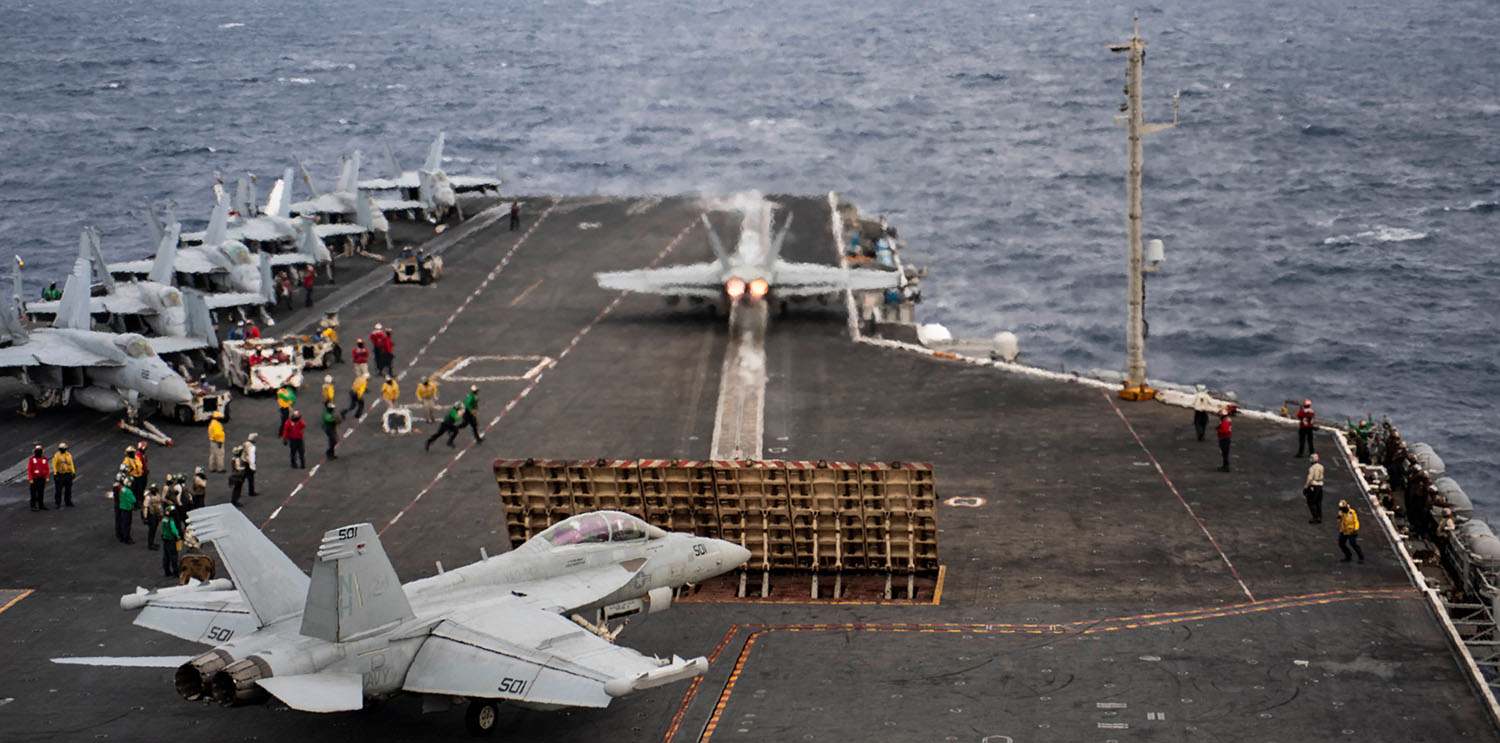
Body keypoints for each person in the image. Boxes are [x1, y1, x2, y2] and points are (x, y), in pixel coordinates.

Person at [160, 501, 183, 577]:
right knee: (173, 556)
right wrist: (178, 536)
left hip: (165, 538)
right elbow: (173, 530)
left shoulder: (164, 519)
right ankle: (176, 572)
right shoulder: (171, 521)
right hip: (171, 539)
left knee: (166, 556)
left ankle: (167, 571)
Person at [1337, 499, 1364, 564]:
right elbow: (1340, 521)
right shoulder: (1341, 513)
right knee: (1341, 544)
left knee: (1353, 544)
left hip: (1351, 531)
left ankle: (1361, 557)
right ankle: (1348, 555)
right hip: (1344, 531)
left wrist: (1356, 529)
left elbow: (1356, 521)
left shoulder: (1351, 512)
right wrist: (1339, 517)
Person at [51, 442, 75, 508]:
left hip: (68, 474)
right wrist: (55, 473)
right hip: (60, 474)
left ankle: (68, 502)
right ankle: (58, 503)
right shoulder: (57, 455)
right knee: (59, 490)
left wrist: (73, 472)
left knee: (68, 489)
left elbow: (71, 464)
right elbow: (54, 464)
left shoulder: (69, 455)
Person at [1303, 453, 1325, 524]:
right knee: (1318, 502)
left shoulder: (1312, 468)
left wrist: (1306, 488)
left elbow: (1309, 479)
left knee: (1311, 502)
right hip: (1320, 485)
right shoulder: (1321, 467)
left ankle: (1315, 516)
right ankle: (1319, 516)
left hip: (1313, 486)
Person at [113, 478, 137, 544]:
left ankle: (121, 536)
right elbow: (134, 500)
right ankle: (127, 538)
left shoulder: (122, 489)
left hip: (122, 507)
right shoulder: (128, 491)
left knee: (122, 522)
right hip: (127, 508)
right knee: (127, 524)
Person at [27, 444, 50, 511]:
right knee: (33, 493)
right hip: (34, 479)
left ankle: (41, 505)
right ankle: (33, 506)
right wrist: (30, 478)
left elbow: (47, 468)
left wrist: (47, 477)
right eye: (37, 451)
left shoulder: (44, 459)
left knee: (41, 492)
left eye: (39, 451)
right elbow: (29, 469)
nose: (38, 452)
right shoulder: (32, 459)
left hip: (42, 478)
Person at [142, 483, 164, 551]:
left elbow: (159, 506)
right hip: (151, 515)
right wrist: (145, 517)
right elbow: (145, 507)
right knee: (152, 530)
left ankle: (152, 543)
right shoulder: (148, 497)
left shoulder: (158, 496)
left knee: (154, 529)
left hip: (156, 514)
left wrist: (161, 514)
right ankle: (150, 544)